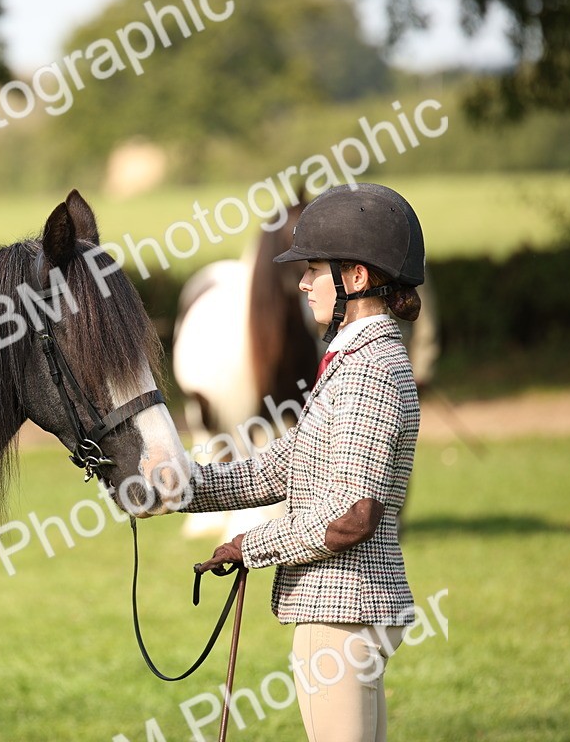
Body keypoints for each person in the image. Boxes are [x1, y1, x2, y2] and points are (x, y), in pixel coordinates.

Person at [182, 182, 425, 742]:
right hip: (346, 610)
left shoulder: (368, 369)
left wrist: (252, 544)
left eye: (313, 269)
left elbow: (351, 515)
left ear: (356, 278)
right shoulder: (353, 359)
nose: (301, 282)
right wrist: (185, 489)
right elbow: (284, 466)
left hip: (339, 613)